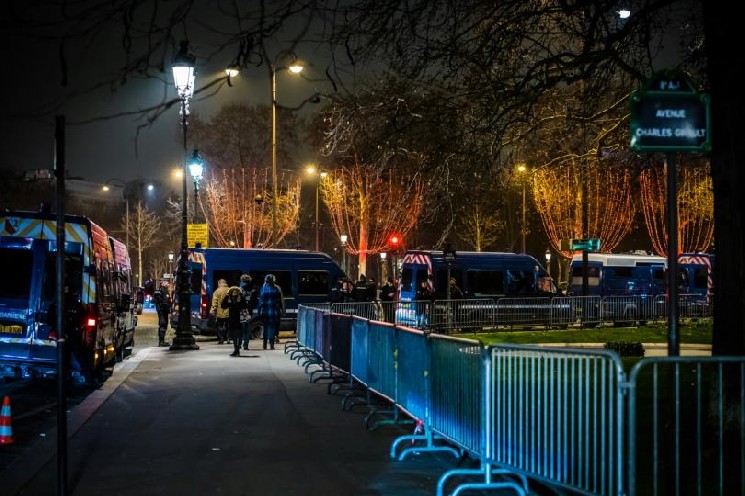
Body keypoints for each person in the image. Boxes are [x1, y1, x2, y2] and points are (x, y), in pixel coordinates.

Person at [257, 274, 285, 350]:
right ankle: (272, 345)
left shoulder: (263, 289)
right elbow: (281, 301)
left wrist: (259, 311)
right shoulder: (277, 289)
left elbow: (260, 302)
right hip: (274, 312)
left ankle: (264, 345)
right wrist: (283, 310)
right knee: (272, 328)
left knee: (265, 328)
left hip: (265, 312)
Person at [221, 285, 248, 357]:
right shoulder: (230, 299)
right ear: (231, 292)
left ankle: (237, 349)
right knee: (234, 336)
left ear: (238, 292)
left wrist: (241, 295)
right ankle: (236, 349)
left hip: (239, 320)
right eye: (233, 291)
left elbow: (245, 306)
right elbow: (223, 306)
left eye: (236, 291)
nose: (234, 293)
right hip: (232, 320)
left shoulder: (240, 299)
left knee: (238, 335)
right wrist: (227, 296)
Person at [210, 279, 230, 344]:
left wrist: (212, 311)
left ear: (219, 283)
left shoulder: (217, 291)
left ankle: (221, 339)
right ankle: (228, 338)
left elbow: (215, 302)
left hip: (220, 312)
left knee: (219, 326)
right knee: (228, 325)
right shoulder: (229, 290)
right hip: (229, 312)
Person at [239, 274, 255, 350]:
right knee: (247, 329)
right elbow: (254, 302)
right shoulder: (252, 290)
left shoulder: (239, 289)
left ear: (241, 280)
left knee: (240, 328)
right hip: (248, 311)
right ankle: (245, 345)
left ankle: (239, 344)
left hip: (240, 311)